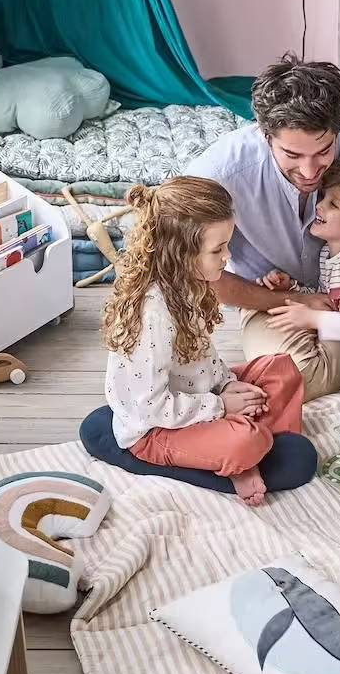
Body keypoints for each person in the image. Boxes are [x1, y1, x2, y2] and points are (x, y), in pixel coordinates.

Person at [103, 177, 306, 507]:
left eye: (227, 244)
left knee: (280, 369)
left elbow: (203, 358)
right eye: (218, 249)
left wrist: (226, 386)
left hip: (200, 399)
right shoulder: (152, 314)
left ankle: (251, 443)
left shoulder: (190, 283)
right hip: (155, 430)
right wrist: (222, 407)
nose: (228, 256)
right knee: (244, 442)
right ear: (180, 253)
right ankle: (245, 455)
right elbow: (150, 407)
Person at [187, 53, 340, 401]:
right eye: (292, 155)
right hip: (271, 299)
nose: (309, 171)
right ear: (264, 133)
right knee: (296, 375)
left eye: (323, 150)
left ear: (339, 127)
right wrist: (293, 298)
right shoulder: (218, 173)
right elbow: (195, 270)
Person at [262, 154, 340, 354]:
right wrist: (292, 287)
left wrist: (313, 319)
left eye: (334, 205)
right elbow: (327, 299)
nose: (319, 206)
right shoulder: (327, 254)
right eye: (323, 198)